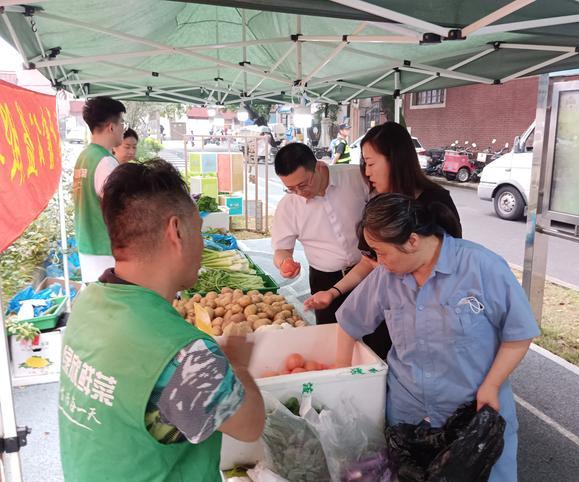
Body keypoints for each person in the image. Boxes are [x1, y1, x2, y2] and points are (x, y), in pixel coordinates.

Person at [59, 159, 265, 482]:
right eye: (199, 229)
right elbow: (251, 425)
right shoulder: (180, 354)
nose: (201, 240)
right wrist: (237, 364)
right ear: (177, 231)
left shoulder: (88, 302)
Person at [335, 193, 540, 482]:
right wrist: (341, 383)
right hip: (409, 419)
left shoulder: (482, 267)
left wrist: (492, 385)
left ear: (413, 241)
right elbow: (349, 323)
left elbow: (519, 334)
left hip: (474, 416)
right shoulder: (387, 277)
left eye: (381, 252)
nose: (378, 262)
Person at [305, 121, 462, 357]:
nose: (366, 173)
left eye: (370, 163)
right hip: (385, 318)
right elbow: (369, 261)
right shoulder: (379, 202)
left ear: (395, 160)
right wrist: (333, 292)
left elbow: (450, 264)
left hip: (424, 321)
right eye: (364, 164)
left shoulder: (436, 204)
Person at [271, 142, 369, 325]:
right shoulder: (288, 205)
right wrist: (285, 263)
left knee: (376, 333)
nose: (299, 193)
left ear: (318, 166)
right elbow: (281, 250)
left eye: (303, 184)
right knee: (330, 333)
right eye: (291, 189)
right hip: (325, 280)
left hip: (369, 270)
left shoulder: (355, 177)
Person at [73, 96, 126, 283]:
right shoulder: (105, 161)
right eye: (121, 123)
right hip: (104, 249)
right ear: (111, 127)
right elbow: (119, 208)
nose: (122, 129)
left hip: (87, 245)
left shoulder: (84, 156)